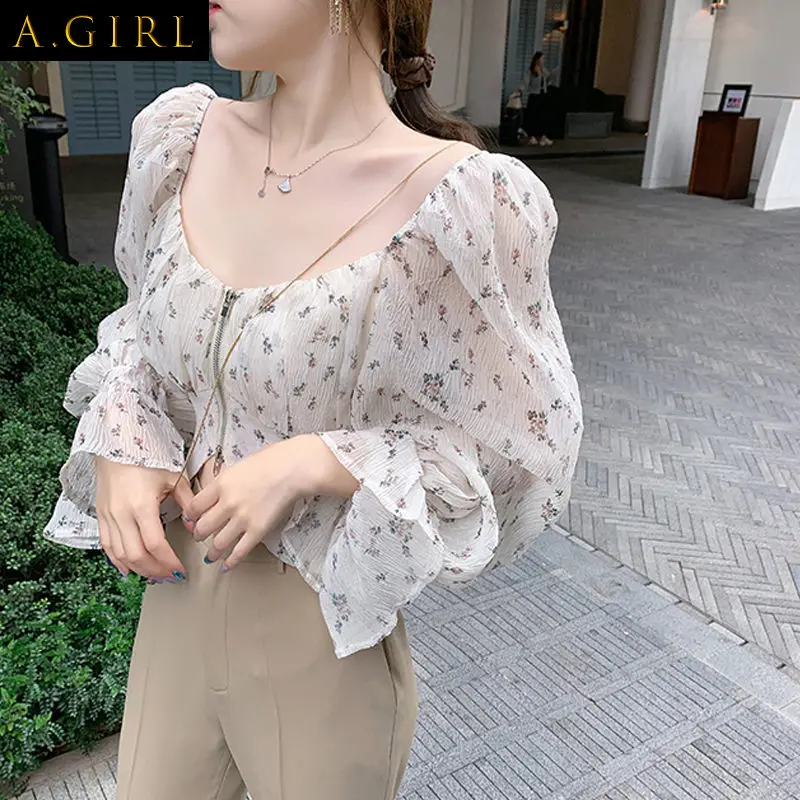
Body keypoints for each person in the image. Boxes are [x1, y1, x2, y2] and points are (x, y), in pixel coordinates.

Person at [42, 0, 583, 797]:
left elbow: (522, 451)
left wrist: (320, 460)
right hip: (175, 606)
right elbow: (140, 331)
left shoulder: (463, 204)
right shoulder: (181, 139)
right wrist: (123, 436)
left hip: (320, 639)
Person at [521, 51, 559, 146]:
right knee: (533, 117)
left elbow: (547, 79)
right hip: (534, 95)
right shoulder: (531, 71)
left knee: (542, 117)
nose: (543, 61)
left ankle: (542, 137)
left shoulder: (543, 70)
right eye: (541, 59)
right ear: (537, 60)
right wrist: (521, 90)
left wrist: (553, 74)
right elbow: (526, 82)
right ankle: (532, 137)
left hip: (542, 95)